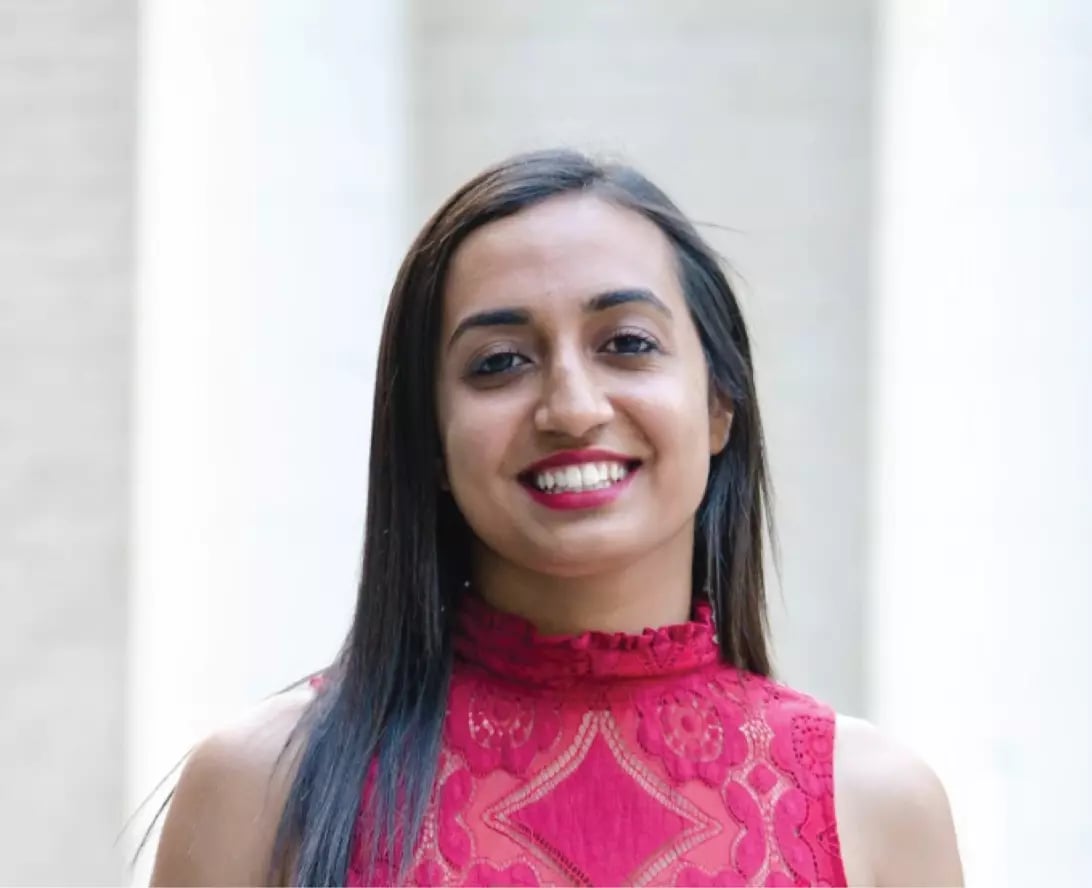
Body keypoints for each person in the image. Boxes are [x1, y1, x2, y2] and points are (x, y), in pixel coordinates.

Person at [149, 149, 963, 887]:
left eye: (628, 344)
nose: (572, 408)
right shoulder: (260, 788)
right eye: (500, 362)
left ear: (719, 404)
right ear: (430, 437)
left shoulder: (875, 808)